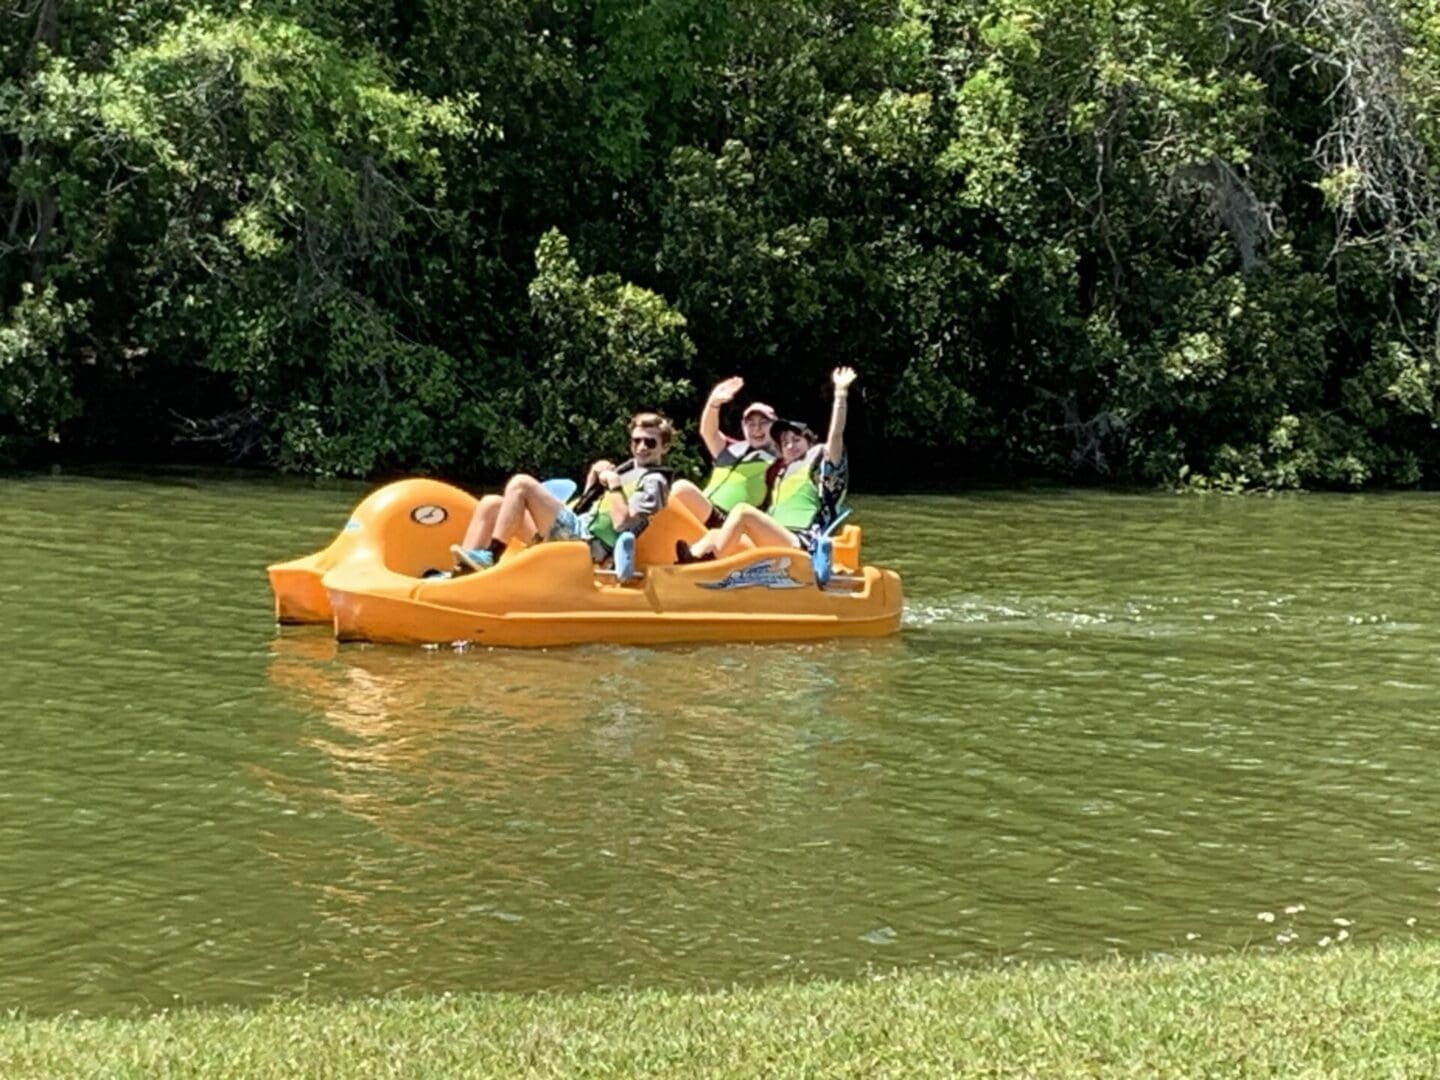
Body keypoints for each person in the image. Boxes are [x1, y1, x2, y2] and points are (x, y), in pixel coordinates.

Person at [451, 412, 675, 572]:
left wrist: (614, 483)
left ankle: (491, 555)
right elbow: (588, 503)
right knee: (491, 503)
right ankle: (461, 572)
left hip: (585, 546)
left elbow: (622, 524)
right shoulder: (628, 469)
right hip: (576, 530)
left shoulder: (654, 482)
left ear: (664, 447)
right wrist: (596, 473)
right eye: (637, 441)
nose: (642, 447)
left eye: (650, 442)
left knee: (521, 483)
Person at [676, 367, 855, 562]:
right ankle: (684, 569)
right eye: (785, 442)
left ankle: (707, 567)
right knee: (714, 536)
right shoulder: (780, 472)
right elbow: (709, 433)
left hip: (801, 544)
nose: (790, 445)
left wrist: (840, 394)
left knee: (743, 512)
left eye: (796, 439)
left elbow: (836, 435)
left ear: (810, 442)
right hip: (774, 538)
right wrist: (714, 401)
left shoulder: (821, 465)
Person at [669, 376, 777, 528]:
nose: (756, 429)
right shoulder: (732, 449)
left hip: (731, 524)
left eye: (763, 423)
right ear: (743, 426)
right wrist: (713, 403)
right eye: (750, 423)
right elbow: (708, 432)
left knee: (682, 489)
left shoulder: (780, 459)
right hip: (706, 512)